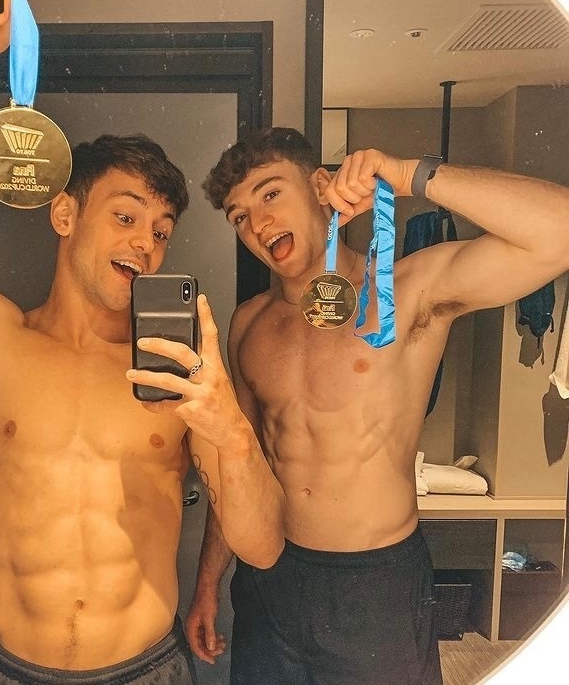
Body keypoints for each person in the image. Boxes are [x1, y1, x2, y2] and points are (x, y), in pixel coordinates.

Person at [0, 0, 284, 683]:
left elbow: (263, 545)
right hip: (4, 666)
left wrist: (228, 427)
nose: (146, 243)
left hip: (146, 667)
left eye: (161, 231)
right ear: (65, 214)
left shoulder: (181, 375)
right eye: (126, 216)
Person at [185, 127, 569, 685]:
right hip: (269, 579)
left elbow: (558, 233)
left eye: (270, 194)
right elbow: (237, 466)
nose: (258, 223)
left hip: (376, 582)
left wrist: (409, 174)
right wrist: (206, 584)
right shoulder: (249, 322)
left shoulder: (407, 288)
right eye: (239, 216)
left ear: (321, 188)